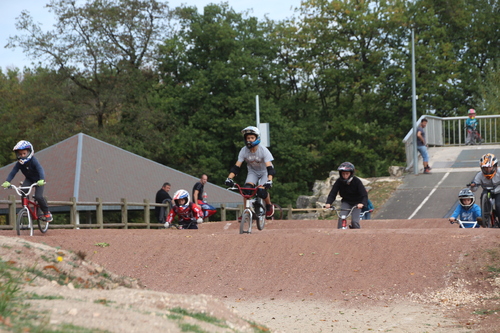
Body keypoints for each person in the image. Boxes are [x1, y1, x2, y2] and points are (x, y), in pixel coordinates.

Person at [225, 126, 275, 217]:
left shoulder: (263, 150)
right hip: (253, 172)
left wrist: (269, 180)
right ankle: (246, 212)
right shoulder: (243, 151)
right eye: (248, 138)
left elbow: (270, 168)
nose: (250, 140)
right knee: (246, 190)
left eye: (252, 138)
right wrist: (229, 178)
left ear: (257, 138)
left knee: (261, 191)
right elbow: (236, 167)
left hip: (265, 172)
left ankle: (268, 205)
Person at [1, 141, 53, 222]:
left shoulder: (34, 161)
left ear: (29, 152)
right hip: (29, 179)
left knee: (38, 196)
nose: (22, 156)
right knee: (23, 191)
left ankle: (47, 212)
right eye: (20, 154)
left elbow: (40, 169)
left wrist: (42, 179)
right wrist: (7, 181)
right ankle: (26, 209)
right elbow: (13, 172)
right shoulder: (19, 163)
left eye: (24, 153)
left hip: (39, 180)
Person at [324, 162, 368, 229]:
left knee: (354, 222)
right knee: (341, 218)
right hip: (346, 202)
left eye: (347, 174)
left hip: (357, 203)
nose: (345, 176)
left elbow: (364, 195)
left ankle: (357, 235)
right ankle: (339, 233)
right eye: (343, 174)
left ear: (351, 173)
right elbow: (333, 193)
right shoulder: (339, 182)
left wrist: (362, 203)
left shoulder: (357, 181)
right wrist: (328, 203)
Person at [470, 153, 500, 222]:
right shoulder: (480, 175)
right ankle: (485, 217)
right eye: (485, 168)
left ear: (495, 166)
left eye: (490, 167)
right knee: (483, 195)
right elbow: (474, 189)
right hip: (488, 192)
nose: (488, 170)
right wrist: (473, 185)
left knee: (498, 205)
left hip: (498, 192)